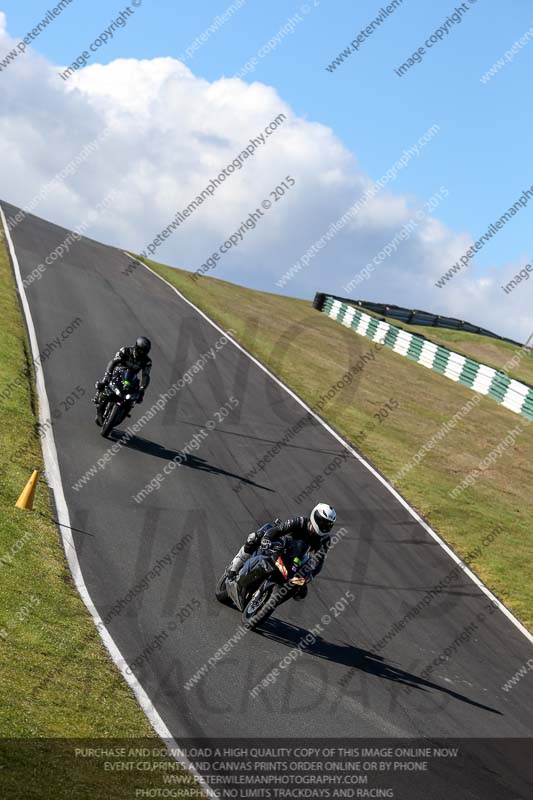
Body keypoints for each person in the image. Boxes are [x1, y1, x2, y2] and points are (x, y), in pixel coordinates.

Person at [227, 503, 337, 596]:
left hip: (295, 562)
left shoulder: (324, 540)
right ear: (315, 516)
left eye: (328, 525)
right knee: (255, 537)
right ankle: (234, 568)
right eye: (322, 522)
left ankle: (268, 596)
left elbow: (319, 562)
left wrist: (309, 576)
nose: (324, 527)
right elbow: (279, 529)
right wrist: (266, 538)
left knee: (301, 592)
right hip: (280, 547)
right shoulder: (300, 522)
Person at [93, 336, 152, 426]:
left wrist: (142, 388)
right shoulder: (125, 350)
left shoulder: (147, 361)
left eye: (144, 352)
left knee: (137, 394)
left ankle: (125, 409)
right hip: (118, 373)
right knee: (104, 383)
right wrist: (108, 375)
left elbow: (145, 375)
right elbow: (113, 362)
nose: (142, 353)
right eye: (140, 351)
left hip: (131, 378)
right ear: (136, 347)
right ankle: (100, 393)